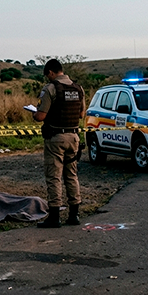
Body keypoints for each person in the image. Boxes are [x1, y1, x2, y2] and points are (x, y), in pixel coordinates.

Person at [31, 59, 85, 228]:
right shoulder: (78, 88)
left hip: (56, 139)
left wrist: (34, 113)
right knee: (71, 175)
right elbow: (82, 114)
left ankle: (54, 217)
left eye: (48, 75)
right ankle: (74, 215)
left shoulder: (51, 88)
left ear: (51, 72)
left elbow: (41, 116)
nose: (48, 78)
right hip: (74, 137)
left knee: (54, 177)